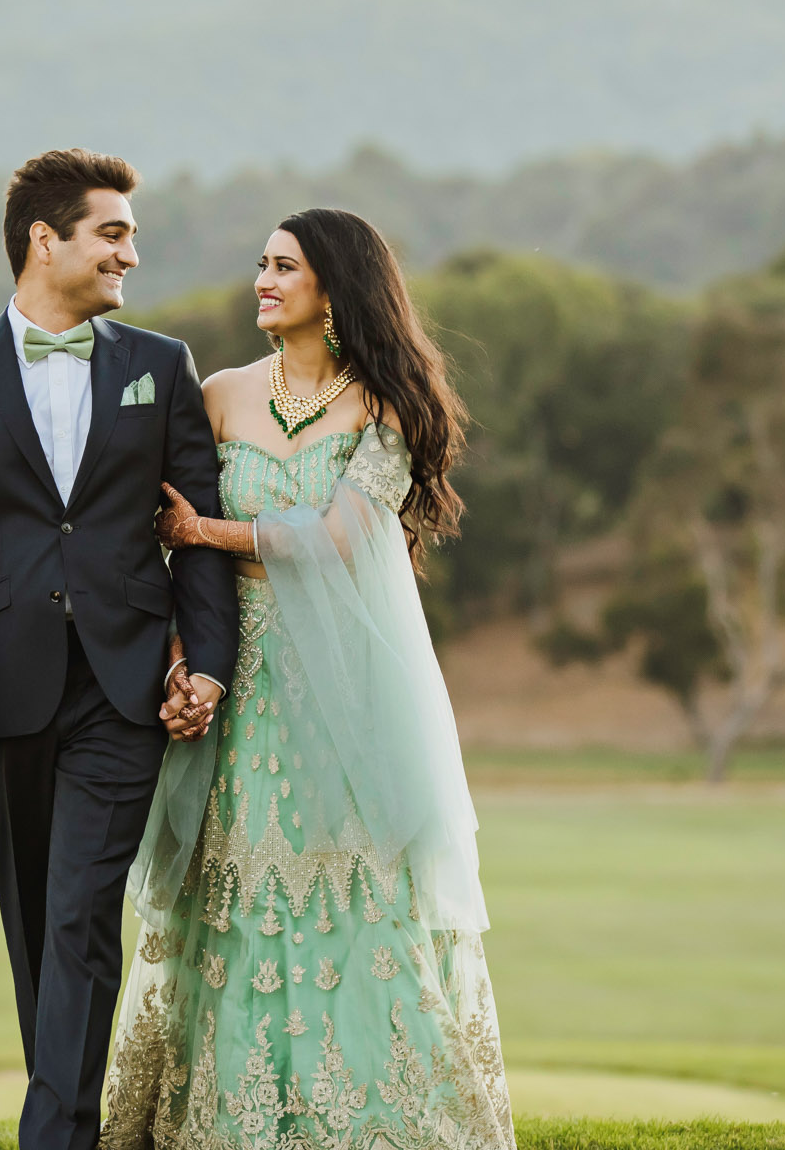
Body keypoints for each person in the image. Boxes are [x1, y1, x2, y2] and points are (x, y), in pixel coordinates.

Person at [102, 208, 512, 1150]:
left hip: (347, 683)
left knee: (357, 882)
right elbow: (160, 552)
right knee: (233, 883)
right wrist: (180, 660)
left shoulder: (387, 406)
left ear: (336, 286)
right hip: (236, 673)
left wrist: (210, 532)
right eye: (261, 264)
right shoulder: (219, 395)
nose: (263, 280)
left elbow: (342, 538)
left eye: (285, 267)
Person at [0, 147, 240, 1150]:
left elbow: (196, 530)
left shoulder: (160, 367)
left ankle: (51, 1139)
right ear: (46, 241)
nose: (132, 251)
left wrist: (206, 661)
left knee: (83, 912)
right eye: (113, 232)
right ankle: (68, 1117)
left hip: (123, 688)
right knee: (37, 926)